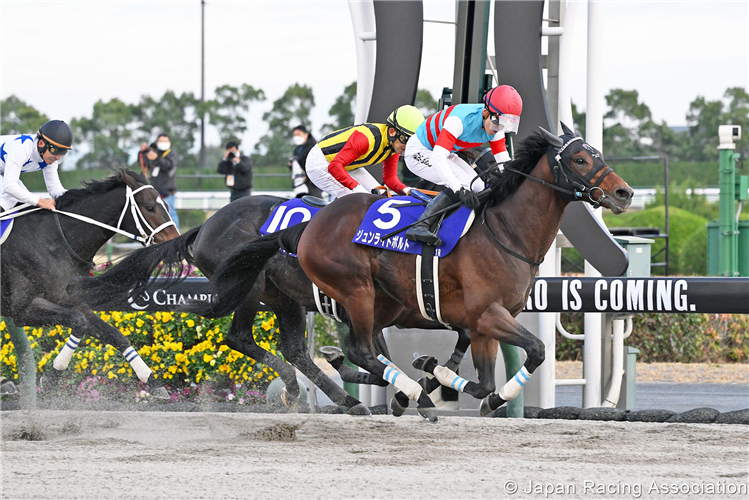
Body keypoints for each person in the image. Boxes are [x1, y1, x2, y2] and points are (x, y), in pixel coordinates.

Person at [404, 85, 523, 245]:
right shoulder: (458, 120)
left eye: (505, 125)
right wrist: (458, 189)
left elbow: (504, 164)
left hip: (442, 153)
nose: (499, 129)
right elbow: (438, 158)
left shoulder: (495, 126)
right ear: (485, 112)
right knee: (463, 184)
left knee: (478, 186)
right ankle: (420, 225)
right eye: (497, 123)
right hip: (419, 152)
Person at [304, 105, 425, 199]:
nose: (407, 146)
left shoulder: (395, 145)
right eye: (406, 139)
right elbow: (334, 166)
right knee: (359, 198)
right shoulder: (366, 140)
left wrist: (408, 191)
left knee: (382, 194)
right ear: (392, 131)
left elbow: (390, 178)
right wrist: (355, 187)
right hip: (320, 162)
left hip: (347, 164)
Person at [0, 119, 72, 212]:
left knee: (20, 194)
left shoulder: (49, 157)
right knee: (12, 195)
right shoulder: (21, 150)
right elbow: (9, 186)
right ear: (41, 143)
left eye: (62, 152)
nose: (58, 157)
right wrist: (41, 201)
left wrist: (74, 199)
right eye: (55, 150)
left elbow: (54, 188)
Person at [141, 133, 179, 227]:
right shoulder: (155, 153)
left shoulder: (172, 154)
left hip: (166, 191)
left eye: (165, 141)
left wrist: (156, 158)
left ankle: (176, 236)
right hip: (155, 190)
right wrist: (143, 153)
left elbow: (168, 166)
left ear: (169, 142)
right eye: (161, 141)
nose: (163, 143)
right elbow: (145, 165)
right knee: (155, 215)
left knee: (170, 214)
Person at [289, 125, 321, 197]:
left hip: (312, 182)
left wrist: (307, 176)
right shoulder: (297, 149)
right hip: (300, 182)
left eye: (298, 134)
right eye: (294, 135)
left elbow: (316, 164)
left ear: (305, 135)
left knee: (315, 200)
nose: (296, 137)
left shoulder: (314, 147)